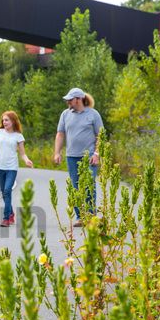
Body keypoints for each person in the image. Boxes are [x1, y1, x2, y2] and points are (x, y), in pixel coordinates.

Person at [53, 87, 103, 227]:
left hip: (89, 156)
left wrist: (97, 154)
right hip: (72, 157)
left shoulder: (93, 114)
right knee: (75, 186)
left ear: (79, 99)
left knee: (88, 185)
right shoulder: (65, 114)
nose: (68, 102)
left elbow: (100, 135)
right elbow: (60, 134)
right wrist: (57, 152)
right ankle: (80, 216)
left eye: (70, 99)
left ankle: (91, 215)